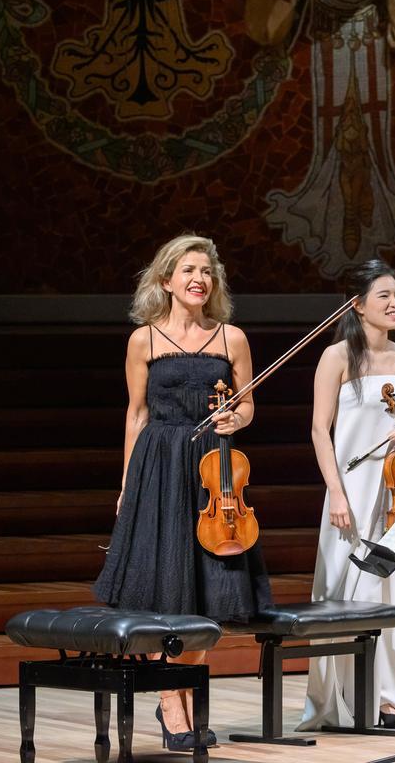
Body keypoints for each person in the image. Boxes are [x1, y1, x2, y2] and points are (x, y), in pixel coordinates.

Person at [94, 235, 273, 750]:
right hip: (159, 465)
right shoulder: (143, 341)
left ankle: (181, 688)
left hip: (214, 472)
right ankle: (173, 700)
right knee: (161, 584)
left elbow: (248, 407)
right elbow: (136, 415)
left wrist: (233, 416)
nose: (199, 278)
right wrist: (129, 483)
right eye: (188, 269)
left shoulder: (231, 338)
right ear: (166, 280)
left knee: (209, 588)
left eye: (207, 271)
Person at [299, 259, 395, 731]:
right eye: (384, 297)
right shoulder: (336, 357)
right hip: (350, 488)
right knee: (348, 590)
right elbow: (319, 429)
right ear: (358, 306)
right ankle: (348, 699)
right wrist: (335, 492)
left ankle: (388, 698)